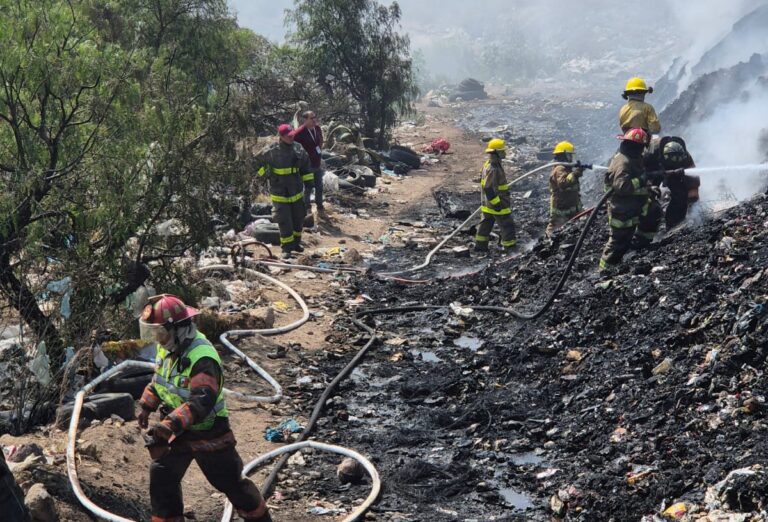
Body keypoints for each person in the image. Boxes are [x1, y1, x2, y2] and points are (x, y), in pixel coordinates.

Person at [137, 294, 272, 522]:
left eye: (160, 332)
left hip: (209, 432)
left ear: (178, 329)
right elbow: (160, 380)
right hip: (178, 429)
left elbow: (202, 401)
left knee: (230, 482)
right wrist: (146, 405)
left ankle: (259, 519)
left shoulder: (202, 357)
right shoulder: (168, 348)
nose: (157, 339)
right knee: (162, 476)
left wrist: (169, 425)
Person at [599, 128, 661, 270]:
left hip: (635, 204)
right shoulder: (623, 162)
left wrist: (649, 189)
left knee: (653, 211)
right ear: (637, 146)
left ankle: (641, 245)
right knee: (619, 243)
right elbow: (622, 186)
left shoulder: (633, 158)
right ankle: (603, 271)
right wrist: (642, 179)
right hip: (622, 209)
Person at [253, 124, 313, 258]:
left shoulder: (298, 148)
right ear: (281, 136)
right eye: (288, 136)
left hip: (296, 192)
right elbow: (255, 165)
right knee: (284, 221)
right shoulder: (271, 151)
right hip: (280, 193)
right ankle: (286, 248)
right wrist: (265, 172)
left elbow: (306, 167)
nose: (291, 138)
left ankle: (296, 243)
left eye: (292, 135)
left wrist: (309, 184)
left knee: (298, 218)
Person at [474, 139, 517, 253]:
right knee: (507, 225)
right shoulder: (494, 168)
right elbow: (488, 187)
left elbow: (482, 180)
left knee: (486, 224)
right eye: (502, 151)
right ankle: (510, 248)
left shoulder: (488, 164)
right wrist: (497, 203)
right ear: (496, 152)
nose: (505, 154)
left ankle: (480, 246)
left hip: (487, 204)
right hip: (497, 203)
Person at [644, 136, 696, 229]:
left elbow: (692, 172)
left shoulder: (684, 155)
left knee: (681, 194)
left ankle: (674, 225)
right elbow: (638, 170)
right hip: (652, 169)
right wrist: (649, 184)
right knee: (647, 198)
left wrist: (693, 192)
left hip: (673, 172)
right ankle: (646, 227)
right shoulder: (649, 152)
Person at [547, 141, 589, 236]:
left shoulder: (565, 168)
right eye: (570, 155)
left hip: (570, 205)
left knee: (573, 223)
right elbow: (563, 183)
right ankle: (547, 240)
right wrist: (575, 173)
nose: (571, 158)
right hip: (561, 206)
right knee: (554, 226)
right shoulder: (559, 169)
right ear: (564, 154)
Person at [292, 111, 326, 214]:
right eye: (312, 118)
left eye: (315, 117)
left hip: (317, 163)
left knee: (319, 185)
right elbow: (294, 147)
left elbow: (320, 141)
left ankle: (319, 205)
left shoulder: (317, 128)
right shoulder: (299, 133)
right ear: (305, 120)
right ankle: (307, 207)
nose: (314, 120)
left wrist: (319, 152)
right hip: (306, 166)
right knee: (308, 186)